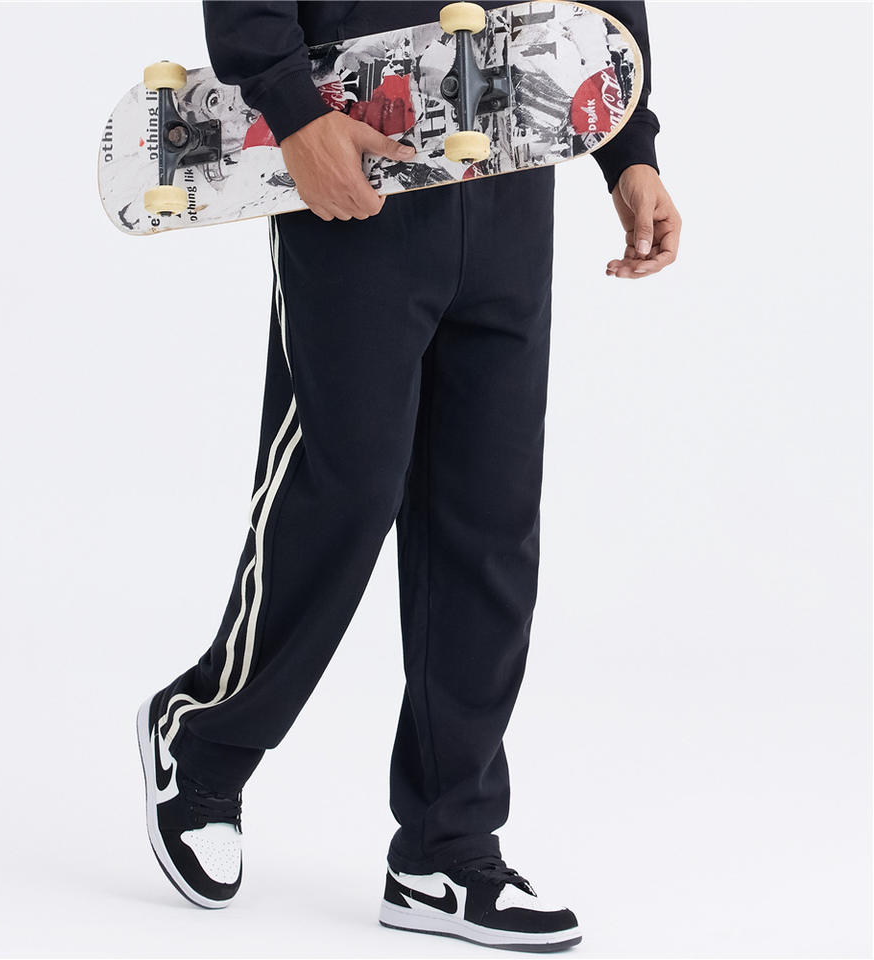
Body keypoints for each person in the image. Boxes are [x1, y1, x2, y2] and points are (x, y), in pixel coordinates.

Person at [136, 0, 681, 951]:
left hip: (512, 158)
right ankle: (204, 738)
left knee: (489, 518)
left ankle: (445, 850)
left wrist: (629, 147)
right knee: (345, 487)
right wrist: (291, 110)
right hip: (354, 150)